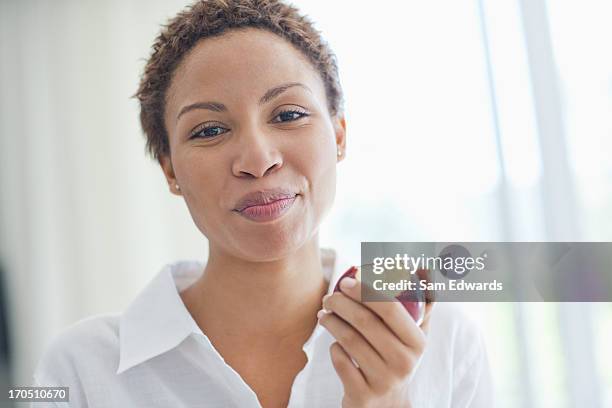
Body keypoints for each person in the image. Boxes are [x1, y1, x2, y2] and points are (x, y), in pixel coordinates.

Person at [32, 0, 493, 406]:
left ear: (339, 136)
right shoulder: (79, 372)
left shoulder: (444, 342)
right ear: (170, 170)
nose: (257, 159)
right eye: (209, 130)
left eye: (288, 115)